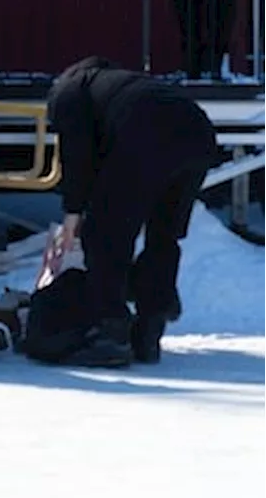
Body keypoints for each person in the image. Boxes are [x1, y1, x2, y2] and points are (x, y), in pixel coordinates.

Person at [45, 56, 219, 366]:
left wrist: (73, 212)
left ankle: (110, 332)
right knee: (163, 236)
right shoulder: (119, 83)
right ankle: (150, 329)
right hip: (198, 134)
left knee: (105, 234)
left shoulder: (68, 90)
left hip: (147, 133)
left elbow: (78, 152)